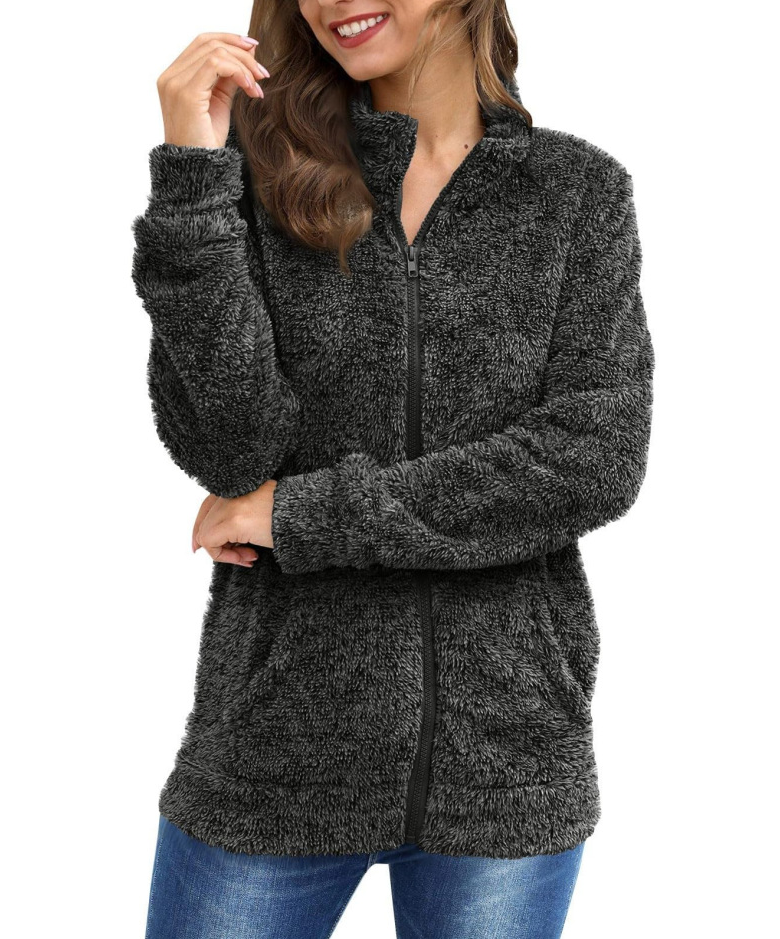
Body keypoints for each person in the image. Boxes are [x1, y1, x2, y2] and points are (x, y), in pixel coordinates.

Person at [130, 1, 654, 936]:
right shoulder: (261, 187)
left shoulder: (575, 194)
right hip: (274, 749)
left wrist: (304, 514)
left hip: (506, 762)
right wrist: (194, 183)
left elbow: (593, 456)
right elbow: (229, 449)